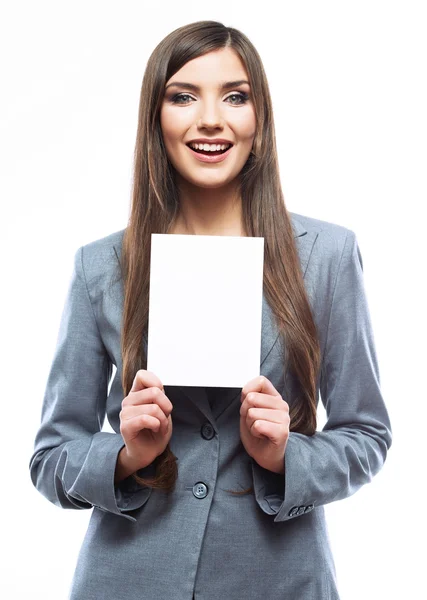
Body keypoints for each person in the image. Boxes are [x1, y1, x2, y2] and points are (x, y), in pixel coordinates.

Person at [29, 20, 392, 600]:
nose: (211, 119)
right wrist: (126, 456)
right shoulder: (100, 267)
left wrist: (284, 455)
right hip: (127, 580)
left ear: (259, 117)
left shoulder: (327, 257)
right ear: (157, 119)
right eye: (183, 96)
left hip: (278, 581)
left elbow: (368, 434)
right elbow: (50, 458)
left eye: (235, 96)